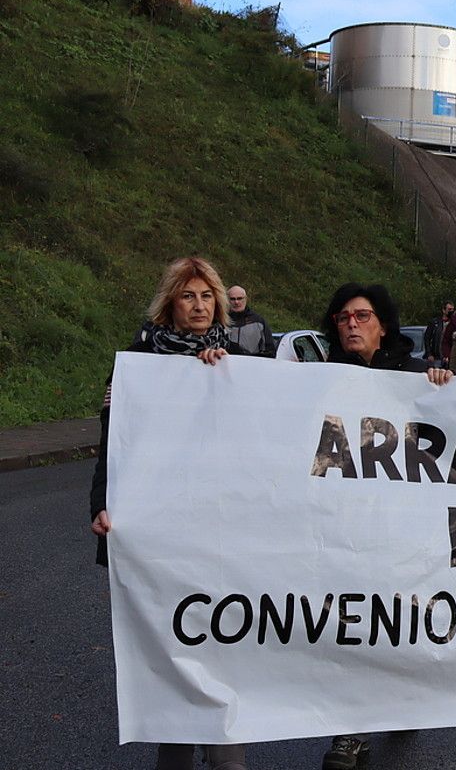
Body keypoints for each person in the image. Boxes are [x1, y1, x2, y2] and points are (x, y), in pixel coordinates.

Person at [90, 257, 251, 770]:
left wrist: (222, 375)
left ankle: (228, 755)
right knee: (170, 647)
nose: (199, 306)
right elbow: (112, 445)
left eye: (207, 297)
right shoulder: (135, 365)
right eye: (189, 296)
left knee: (224, 644)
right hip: (161, 538)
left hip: (222, 535)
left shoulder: (243, 362)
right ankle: (177, 750)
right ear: (170, 304)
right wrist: (102, 505)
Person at [319, 285, 450, 770]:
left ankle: (397, 696)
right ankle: (349, 731)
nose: (352, 325)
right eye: (343, 318)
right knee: (349, 623)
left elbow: (453, 429)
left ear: (384, 324)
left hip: (404, 527)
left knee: (400, 622)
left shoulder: (416, 374)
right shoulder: (320, 378)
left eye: (362, 316)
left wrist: (441, 385)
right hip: (344, 526)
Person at [226, 284, 275, 356]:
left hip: (253, 364)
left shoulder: (258, 321)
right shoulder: (222, 321)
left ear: (246, 299)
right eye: (232, 299)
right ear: (227, 300)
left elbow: (270, 350)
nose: (236, 302)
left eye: (239, 298)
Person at [423, 302, 455, 366]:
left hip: (448, 358)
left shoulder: (454, 324)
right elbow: (427, 338)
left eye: (452, 309)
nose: (451, 311)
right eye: (449, 309)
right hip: (436, 357)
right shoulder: (434, 323)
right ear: (444, 310)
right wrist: (429, 354)